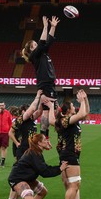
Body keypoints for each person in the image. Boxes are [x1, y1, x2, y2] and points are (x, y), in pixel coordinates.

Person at [2, 133, 68, 199]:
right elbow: (44, 172)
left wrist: (48, 148)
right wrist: (60, 168)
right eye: (45, 140)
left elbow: (44, 168)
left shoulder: (36, 151)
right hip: (18, 179)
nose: (47, 141)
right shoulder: (34, 153)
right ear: (39, 143)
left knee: (43, 192)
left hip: (27, 178)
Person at [48, 89, 90, 199]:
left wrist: (85, 99)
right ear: (67, 111)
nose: (75, 107)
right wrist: (82, 100)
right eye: (73, 106)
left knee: (72, 184)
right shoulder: (66, 120)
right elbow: (83, 113)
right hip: (70, 154)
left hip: (68, 154)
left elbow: (85, 113)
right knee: (74, 185)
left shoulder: (69, 120)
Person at [22, 15, 60, 148]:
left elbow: (48, 41)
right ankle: (44, 138)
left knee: (44, 111)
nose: (37, 45)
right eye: (35, 45)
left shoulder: (43, 52)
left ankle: (36, 130)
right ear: (31, 49)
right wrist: (45, 27)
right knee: (46, 112)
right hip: (46, 84)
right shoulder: (34, 56)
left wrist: (53, 27)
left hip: (49, 84)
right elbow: (43, 41)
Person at [4, 91, 43, 199]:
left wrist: (44, 99)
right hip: (23, 151)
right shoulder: (22, 119)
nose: (31, 112)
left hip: (28, 151)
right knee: (19, 177)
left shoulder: (31, 120)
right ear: (23, 112)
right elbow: (32, 109)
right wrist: (37, 96)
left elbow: (39, 110)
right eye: (27, 110)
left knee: (22, 177)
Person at [0, 102, 12, 167]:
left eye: (2, 105)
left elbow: (10, 123)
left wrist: (9, 131)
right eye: (0, 105)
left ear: (5, 106)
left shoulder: (8, 113)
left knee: (4, 147)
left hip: (5, 133)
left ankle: (3, 161)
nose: (1, 106)